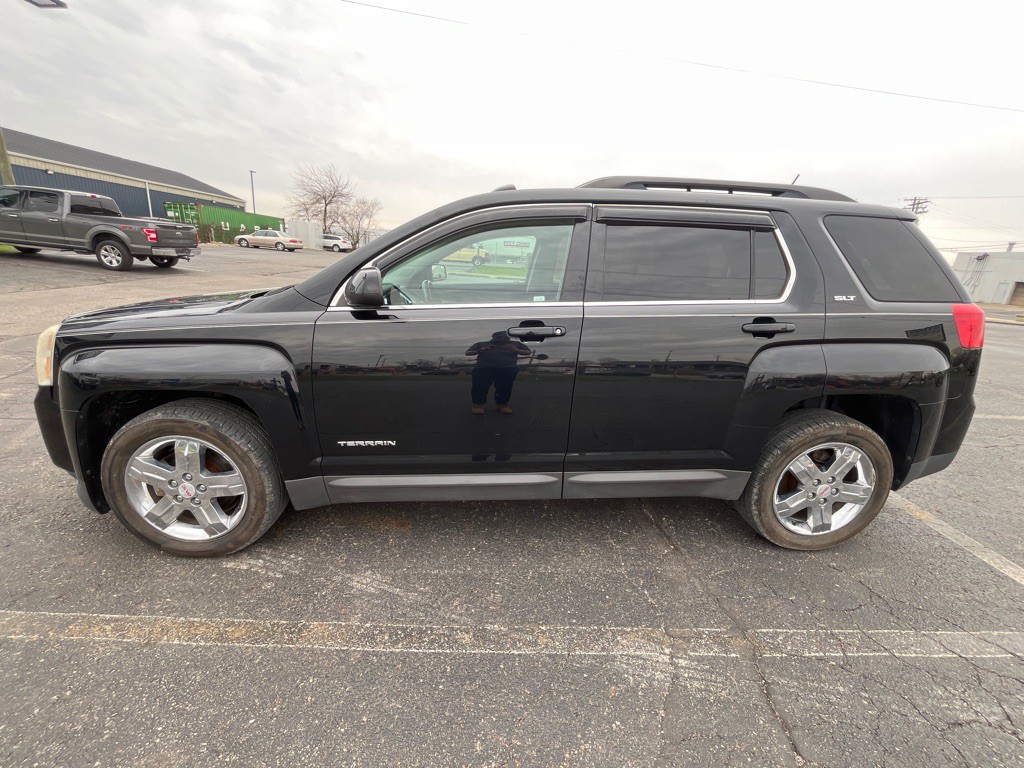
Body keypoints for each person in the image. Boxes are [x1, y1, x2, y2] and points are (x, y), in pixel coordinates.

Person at [465, 331, 531, 414]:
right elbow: (467, 353)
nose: (502, 338)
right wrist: (480, 350)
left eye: (504, 337)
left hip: (507, 368)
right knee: (479, 387)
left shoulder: (515, 344)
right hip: (483, 368)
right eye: (499, 337)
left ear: (508, 337)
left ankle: (502, 405)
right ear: (494, 337)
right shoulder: (482, 344)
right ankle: (478, 405)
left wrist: (516, 349)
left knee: (504, 388)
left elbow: (528, 352)